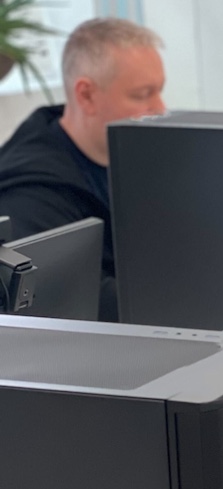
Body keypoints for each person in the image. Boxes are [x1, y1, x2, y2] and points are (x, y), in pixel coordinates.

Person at [0, 18, 166, 320]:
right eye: (142, 94)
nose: (160, 108)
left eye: (159, 91)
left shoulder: (142, 159)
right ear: (86, 95)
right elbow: (74, 301)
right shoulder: (31, 193)